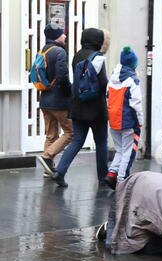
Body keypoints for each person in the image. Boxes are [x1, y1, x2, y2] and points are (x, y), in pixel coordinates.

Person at [52, 28, 111, 188]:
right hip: (96, 108)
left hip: (78, 105)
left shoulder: (76, 55)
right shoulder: (98, 58)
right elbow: (103, 82)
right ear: (97, 41)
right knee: (101, 142)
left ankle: (60, 171)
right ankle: (103, 177)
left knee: (77, 140)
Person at [103, 47, 143, 190]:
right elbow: (136, 104)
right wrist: (140, 122)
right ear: (134, 64)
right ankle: (122, 180)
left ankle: (112, 173)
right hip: (129, 122)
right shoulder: (132, 81)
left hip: (113, 121)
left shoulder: (112, 79)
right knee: (128, 152)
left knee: (120, 150)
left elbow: (107, 99)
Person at [37, 24, 73, 178]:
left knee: (51, 135)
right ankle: (47, 156)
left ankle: (48, 169)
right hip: (58, 101)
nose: (65, 36)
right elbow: (63, 76)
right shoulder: (59, 51)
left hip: (45, 99)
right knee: (71, 132)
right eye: (62, 34)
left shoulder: (43, 50)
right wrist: (69, 94)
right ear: (57, 36)